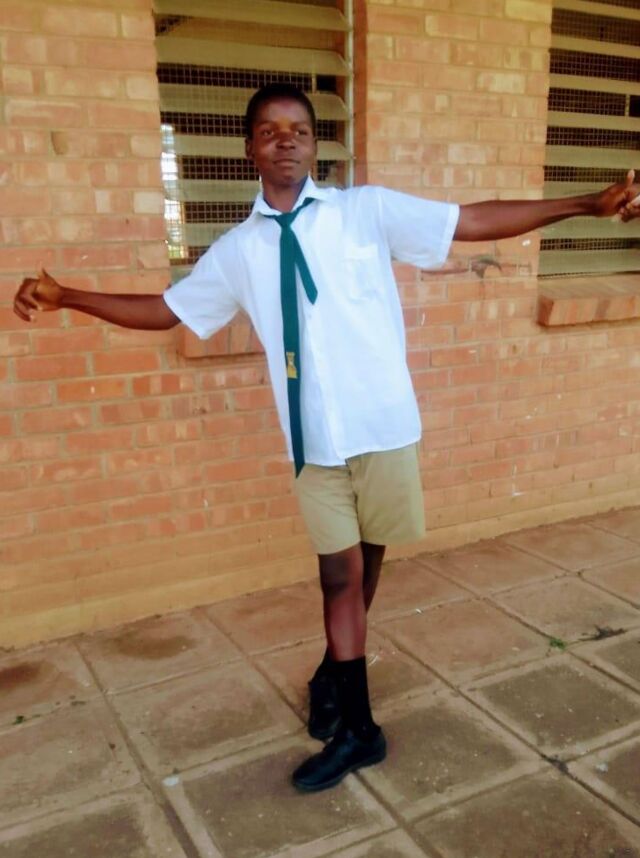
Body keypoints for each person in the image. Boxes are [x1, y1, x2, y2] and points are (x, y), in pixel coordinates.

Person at [13, 83, 640, 793]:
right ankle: (359, 731)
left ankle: (331, 675)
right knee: (337, 577)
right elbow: (166, 310)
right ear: (249, 149)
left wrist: (583, 204)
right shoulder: (240, 251)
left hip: (381, 427)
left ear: (315, 146)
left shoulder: (363, 213)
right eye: (270, 130)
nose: (286, 140)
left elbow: (469, 220)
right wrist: (69, 298)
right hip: (312, 441)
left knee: (366, 566)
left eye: (300, 130)